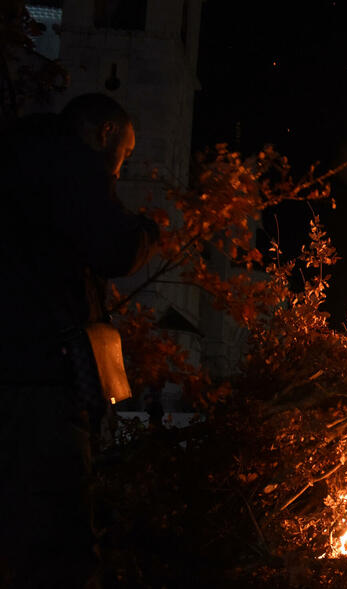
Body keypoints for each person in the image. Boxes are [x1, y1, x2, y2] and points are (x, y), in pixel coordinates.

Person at [0, 93, 159, 587]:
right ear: (104, 133)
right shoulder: (68, 164)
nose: (119, 170)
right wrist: (148, 232)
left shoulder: (21, 157)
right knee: (60, 540)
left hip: (16, 369)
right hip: (39, 377)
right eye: (124, 154)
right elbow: (114, 245)